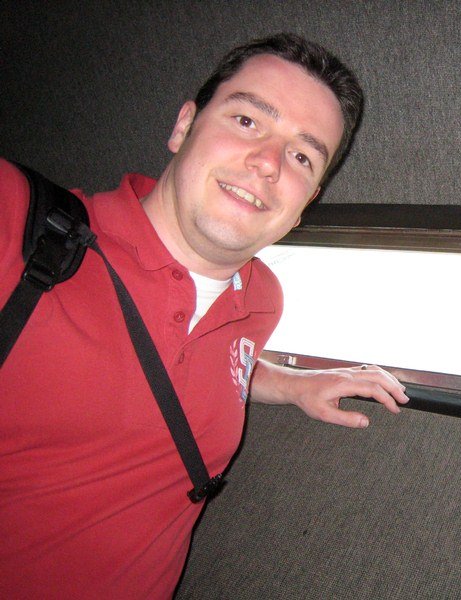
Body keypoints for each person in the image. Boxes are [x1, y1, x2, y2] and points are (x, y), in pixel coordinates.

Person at [0, 33, 408, 599]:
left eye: (301, 156)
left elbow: (209, 363)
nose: (268, 163)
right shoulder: (16, 223)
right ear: (183, 126)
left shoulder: (261, 299)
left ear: (305, 204)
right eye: (246, 120)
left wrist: (291, 384)